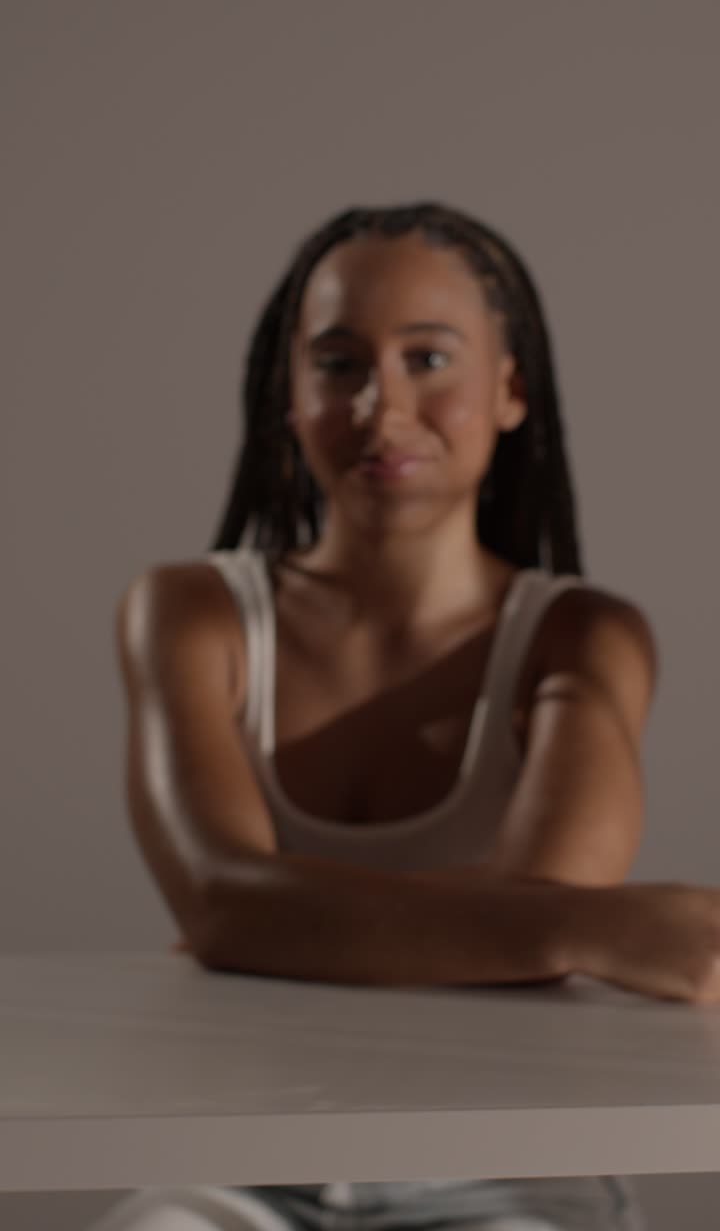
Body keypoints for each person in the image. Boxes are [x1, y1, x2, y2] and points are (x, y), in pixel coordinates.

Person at [102, 202, 720, 1231]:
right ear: (288, 399)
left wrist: (285, 916)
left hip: (504, 1155)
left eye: (428, 358)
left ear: (511, 389)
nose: (381, 407)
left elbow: (535, 928)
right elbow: (220, 898)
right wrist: (592, 925)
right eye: (339, 363)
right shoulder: (188, 611)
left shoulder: (584, 635)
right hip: (241, 1151)